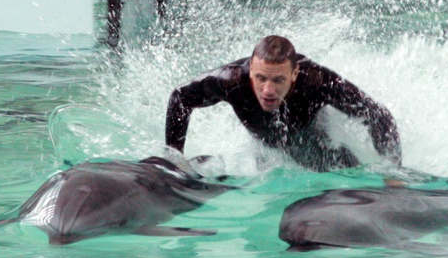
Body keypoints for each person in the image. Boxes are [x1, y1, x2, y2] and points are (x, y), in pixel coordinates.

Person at [165, 35, 401, 171]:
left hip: (317, 147)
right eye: (260, 78)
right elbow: (180, 98)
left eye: (278, 80)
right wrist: (175, 160)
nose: (268, 90)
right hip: (266, 152)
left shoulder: (318, 81)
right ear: (251, 73)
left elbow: (378, 116)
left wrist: (393, 171)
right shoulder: (231, 81)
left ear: (294, 74)